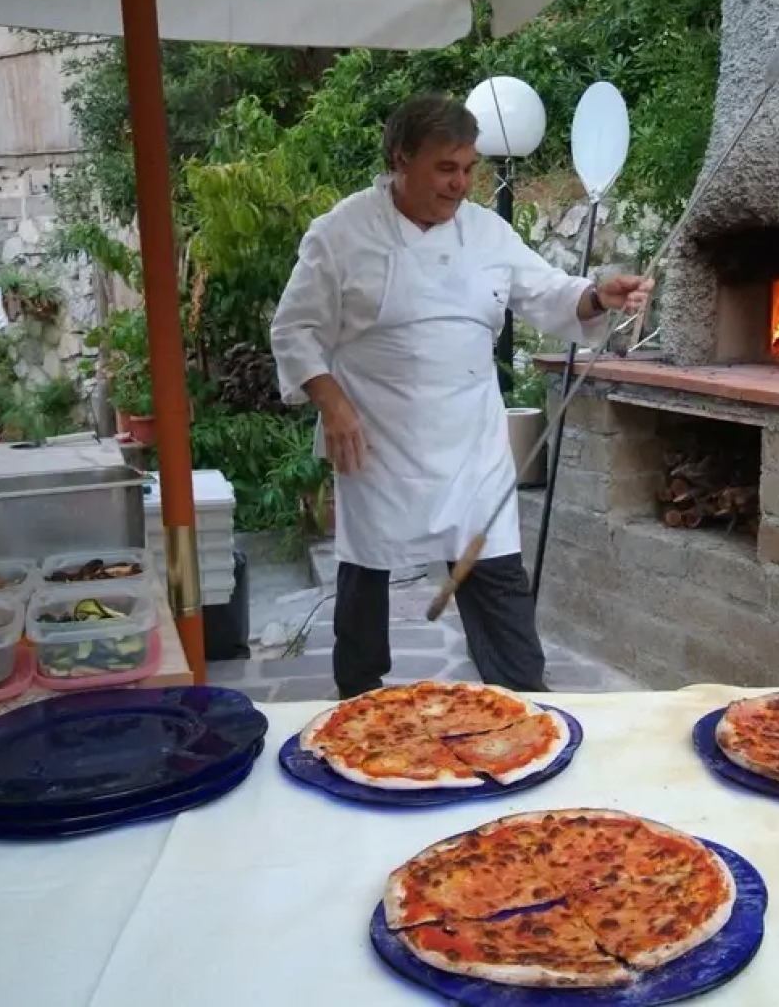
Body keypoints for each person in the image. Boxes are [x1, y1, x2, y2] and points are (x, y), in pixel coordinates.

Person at [270, 93, 651, 699]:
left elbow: (550, 294)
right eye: (447, 169)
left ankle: (524, 700)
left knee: (496, 572)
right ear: (401, 158)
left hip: (471, 439)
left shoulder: (486, 233)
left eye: (470, 169)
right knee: (365, 573)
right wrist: (331, 401)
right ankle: (360, 704)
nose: (462, 185)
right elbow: (294, 329)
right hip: (380, 437)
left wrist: (598, 295)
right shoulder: (341, 233)